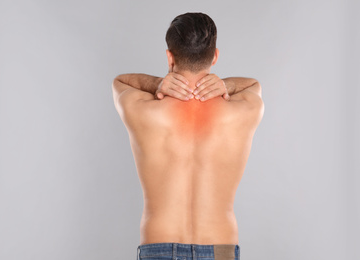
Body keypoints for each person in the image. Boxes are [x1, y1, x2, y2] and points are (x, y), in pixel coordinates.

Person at [112, 12, 264, 260]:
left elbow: (119, 81)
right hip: (220, 249)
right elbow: (254, 85)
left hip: (158, 246)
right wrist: (227, 85)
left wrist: (157, 83)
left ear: (169, 57)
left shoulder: (143, 109)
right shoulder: (244, 109)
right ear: (215, 56)